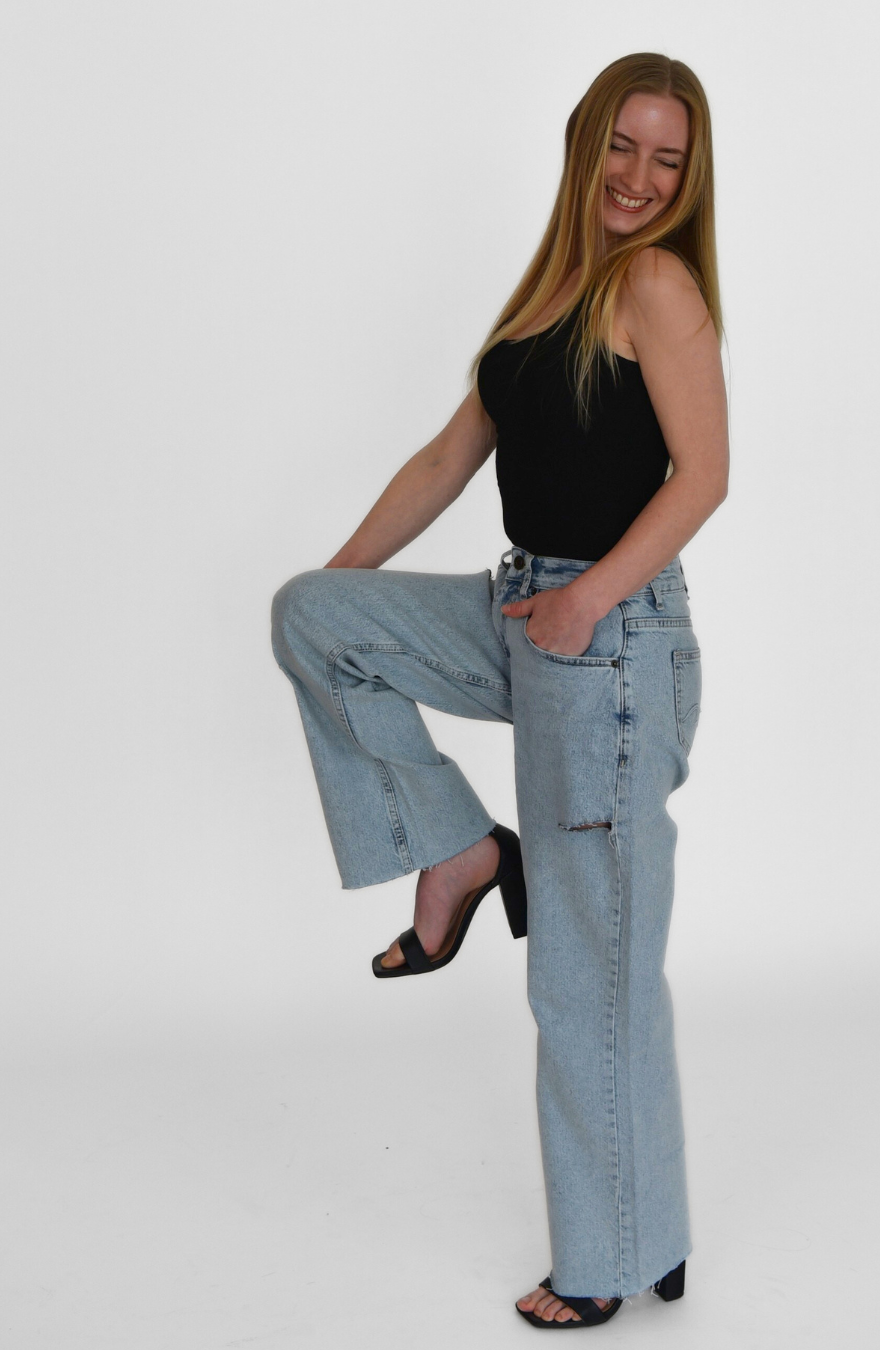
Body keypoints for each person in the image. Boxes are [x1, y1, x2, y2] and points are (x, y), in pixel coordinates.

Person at [270, 51, 729, 1329]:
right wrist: (350, 584)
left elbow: (703, 475)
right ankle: (465, 851)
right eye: (623, 146)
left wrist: (589, 600)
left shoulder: (656, 284)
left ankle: (612, 1255)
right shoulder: (552, 288)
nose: (639, 178)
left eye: (667, 160)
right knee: (312, 617)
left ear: (688, 179)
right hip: (519, 605)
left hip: (610, 640)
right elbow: (445, 459)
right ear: (586, 144)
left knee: (591, 972)